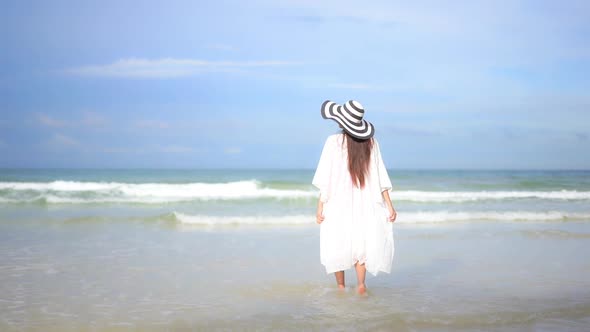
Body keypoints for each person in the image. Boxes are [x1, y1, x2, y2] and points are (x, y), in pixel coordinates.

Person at [312, 100, 397, 295]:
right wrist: (390, 206)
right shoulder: (371, 143)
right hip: (365, 200)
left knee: (336, 240)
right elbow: (380, 175)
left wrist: (320, 205)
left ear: (341, 120)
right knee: (362, 241)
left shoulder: (333, 141)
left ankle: (341, 287)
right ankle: (360, 285)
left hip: (337, 200)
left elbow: (326, 176)